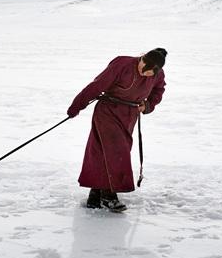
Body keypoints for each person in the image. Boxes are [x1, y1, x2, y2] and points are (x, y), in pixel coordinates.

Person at [67, 48, 167, 212]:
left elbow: (159, 89)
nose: (144, 74)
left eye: (149, 74)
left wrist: (148, 105)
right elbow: (97, 86)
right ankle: (109, 195)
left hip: (130, 115)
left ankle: (95, 195)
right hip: (108, 111)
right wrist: (76, 106)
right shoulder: (122, 64)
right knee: (116, 152)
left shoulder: (158, 74)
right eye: (143, 69)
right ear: (141, 59)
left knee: (103, 153)